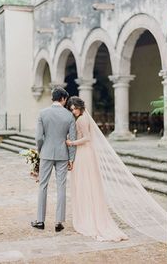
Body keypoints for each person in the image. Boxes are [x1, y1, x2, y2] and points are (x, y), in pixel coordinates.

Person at [65, 96, 128, 241]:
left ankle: (87, 217)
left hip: (83, 153)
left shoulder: (81, 119)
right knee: (89, 184)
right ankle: (90, 213)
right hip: (88, 152)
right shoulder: (85, 117)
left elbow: (87, 138)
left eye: (75, 108)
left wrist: (71, 142)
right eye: (72, 109)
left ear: (80, 107)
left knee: (83, 184)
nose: (74, 111)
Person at [32, 87, 76, 232]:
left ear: (53, 98)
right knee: (61, 186)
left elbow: (38, 137)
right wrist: (71, 158)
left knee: (43, 186)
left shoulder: (42, 113)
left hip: (46, 153)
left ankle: (40, 221)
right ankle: (58, 222)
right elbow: (72, 139)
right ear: (63, 99)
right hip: (63, 155)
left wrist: (41, 151)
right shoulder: (69, 116)